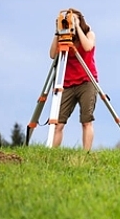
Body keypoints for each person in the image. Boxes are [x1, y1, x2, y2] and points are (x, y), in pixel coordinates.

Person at [49, 8, 98, 151]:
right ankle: (52, 153)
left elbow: (88, 47)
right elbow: (52, 54)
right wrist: (58, 32)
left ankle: (86, 153)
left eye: (73, 19)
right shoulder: (64, 38)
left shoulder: (89, 33)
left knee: (86, 121)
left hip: (86, 81)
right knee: (58, 123)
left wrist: (77, 27)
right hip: (68, 83)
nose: (69, 22)